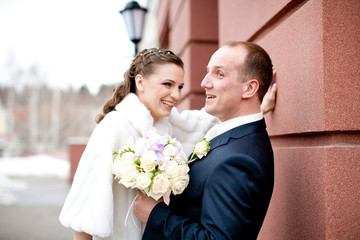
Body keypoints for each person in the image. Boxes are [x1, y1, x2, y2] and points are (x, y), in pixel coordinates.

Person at [59, 46, 276, 240]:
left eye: (180, 87)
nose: (175, 95)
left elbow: (203, 121)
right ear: (140, 82)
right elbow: (83, 211)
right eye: (167, 84)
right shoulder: (113, 127)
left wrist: (258, 105)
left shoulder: (167, 124)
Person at [134, 41, 275, 240]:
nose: (204, 82)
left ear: (249, 88)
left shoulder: (240, 160)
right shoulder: (228, 133)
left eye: (219, 74)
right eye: (208, 71)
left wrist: (155, 214)